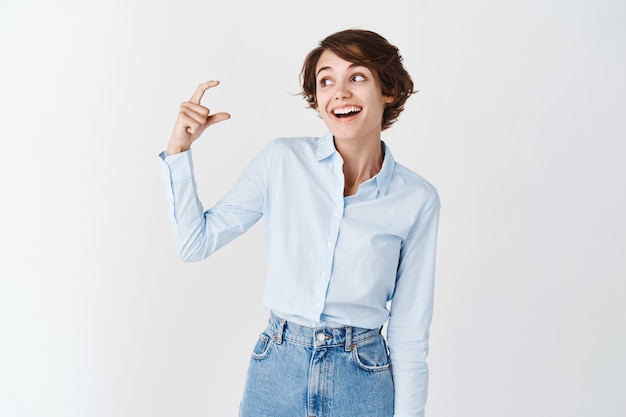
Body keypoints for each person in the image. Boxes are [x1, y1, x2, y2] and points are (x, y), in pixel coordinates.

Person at [159, 29, 440, 417]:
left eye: (357, 77)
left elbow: (409, 332)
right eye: (326, 81)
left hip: (363, 378)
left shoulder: (416, 198)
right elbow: (195, 243)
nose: (339, 92)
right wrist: (178, 152)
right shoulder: (281, 161)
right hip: (277, 370)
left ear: (388, 91)